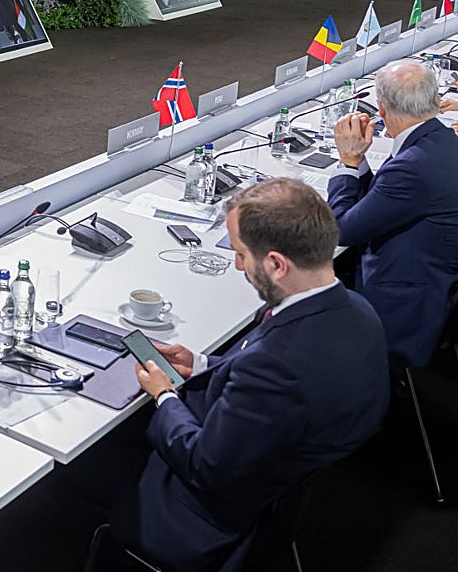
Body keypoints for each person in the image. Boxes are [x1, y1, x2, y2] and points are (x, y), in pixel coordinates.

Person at [106, 178, 388, 572]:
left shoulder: (279, 365)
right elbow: (261, 359)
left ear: (276, 264)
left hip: (209, 518)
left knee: (86, 467)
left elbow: (205, 466)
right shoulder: (358, 311)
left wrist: (164, 396)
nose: (237, 265)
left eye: (240, 254)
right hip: (276, 479)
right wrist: (203, 364)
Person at [329, 61, 458, 366]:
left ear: (381, 109)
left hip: (402, 302)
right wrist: (359, 163)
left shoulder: (413, 166)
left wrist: (348, 161)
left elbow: (341, 231)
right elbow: (384, 200)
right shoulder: (440, 141)